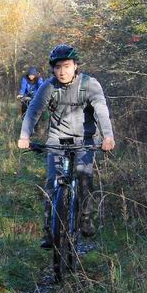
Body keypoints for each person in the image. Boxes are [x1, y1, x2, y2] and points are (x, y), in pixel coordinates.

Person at [17, 44, 115, 249]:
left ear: (76, 66)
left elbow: (101, 110)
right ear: (52, 69)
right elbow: (33, 110)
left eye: (67, 66)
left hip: (85, 140)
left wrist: (108, 136)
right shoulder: (49, 86)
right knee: (53, 181)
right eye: (58, 67)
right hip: (57, 139)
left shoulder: (90, 85)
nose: (62, 71)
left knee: (84, 175)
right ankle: (49, 231)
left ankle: (85, 218)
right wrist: (25, 135)